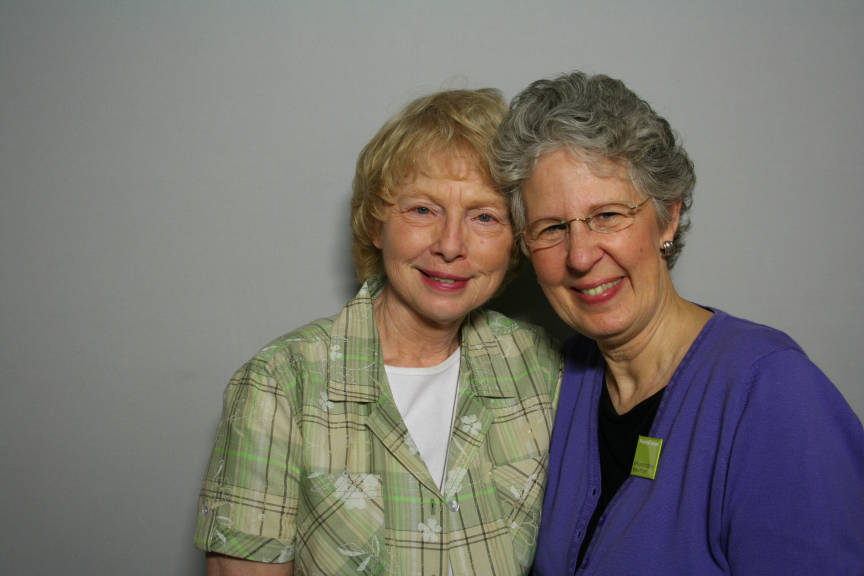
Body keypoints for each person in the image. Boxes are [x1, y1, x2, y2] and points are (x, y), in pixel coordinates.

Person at [492, 71, 864, 575]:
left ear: (667, 218)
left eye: (607, 216)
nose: (580, 256)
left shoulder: (772, 391)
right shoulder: (560, 384)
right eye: (552, 228)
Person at [195, 88, 561, 575]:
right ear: (376, 223)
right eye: (423, 210)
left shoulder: (544, 369)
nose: (451, 245)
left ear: (516, 242)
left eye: (485, 217)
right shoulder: (280, 382)